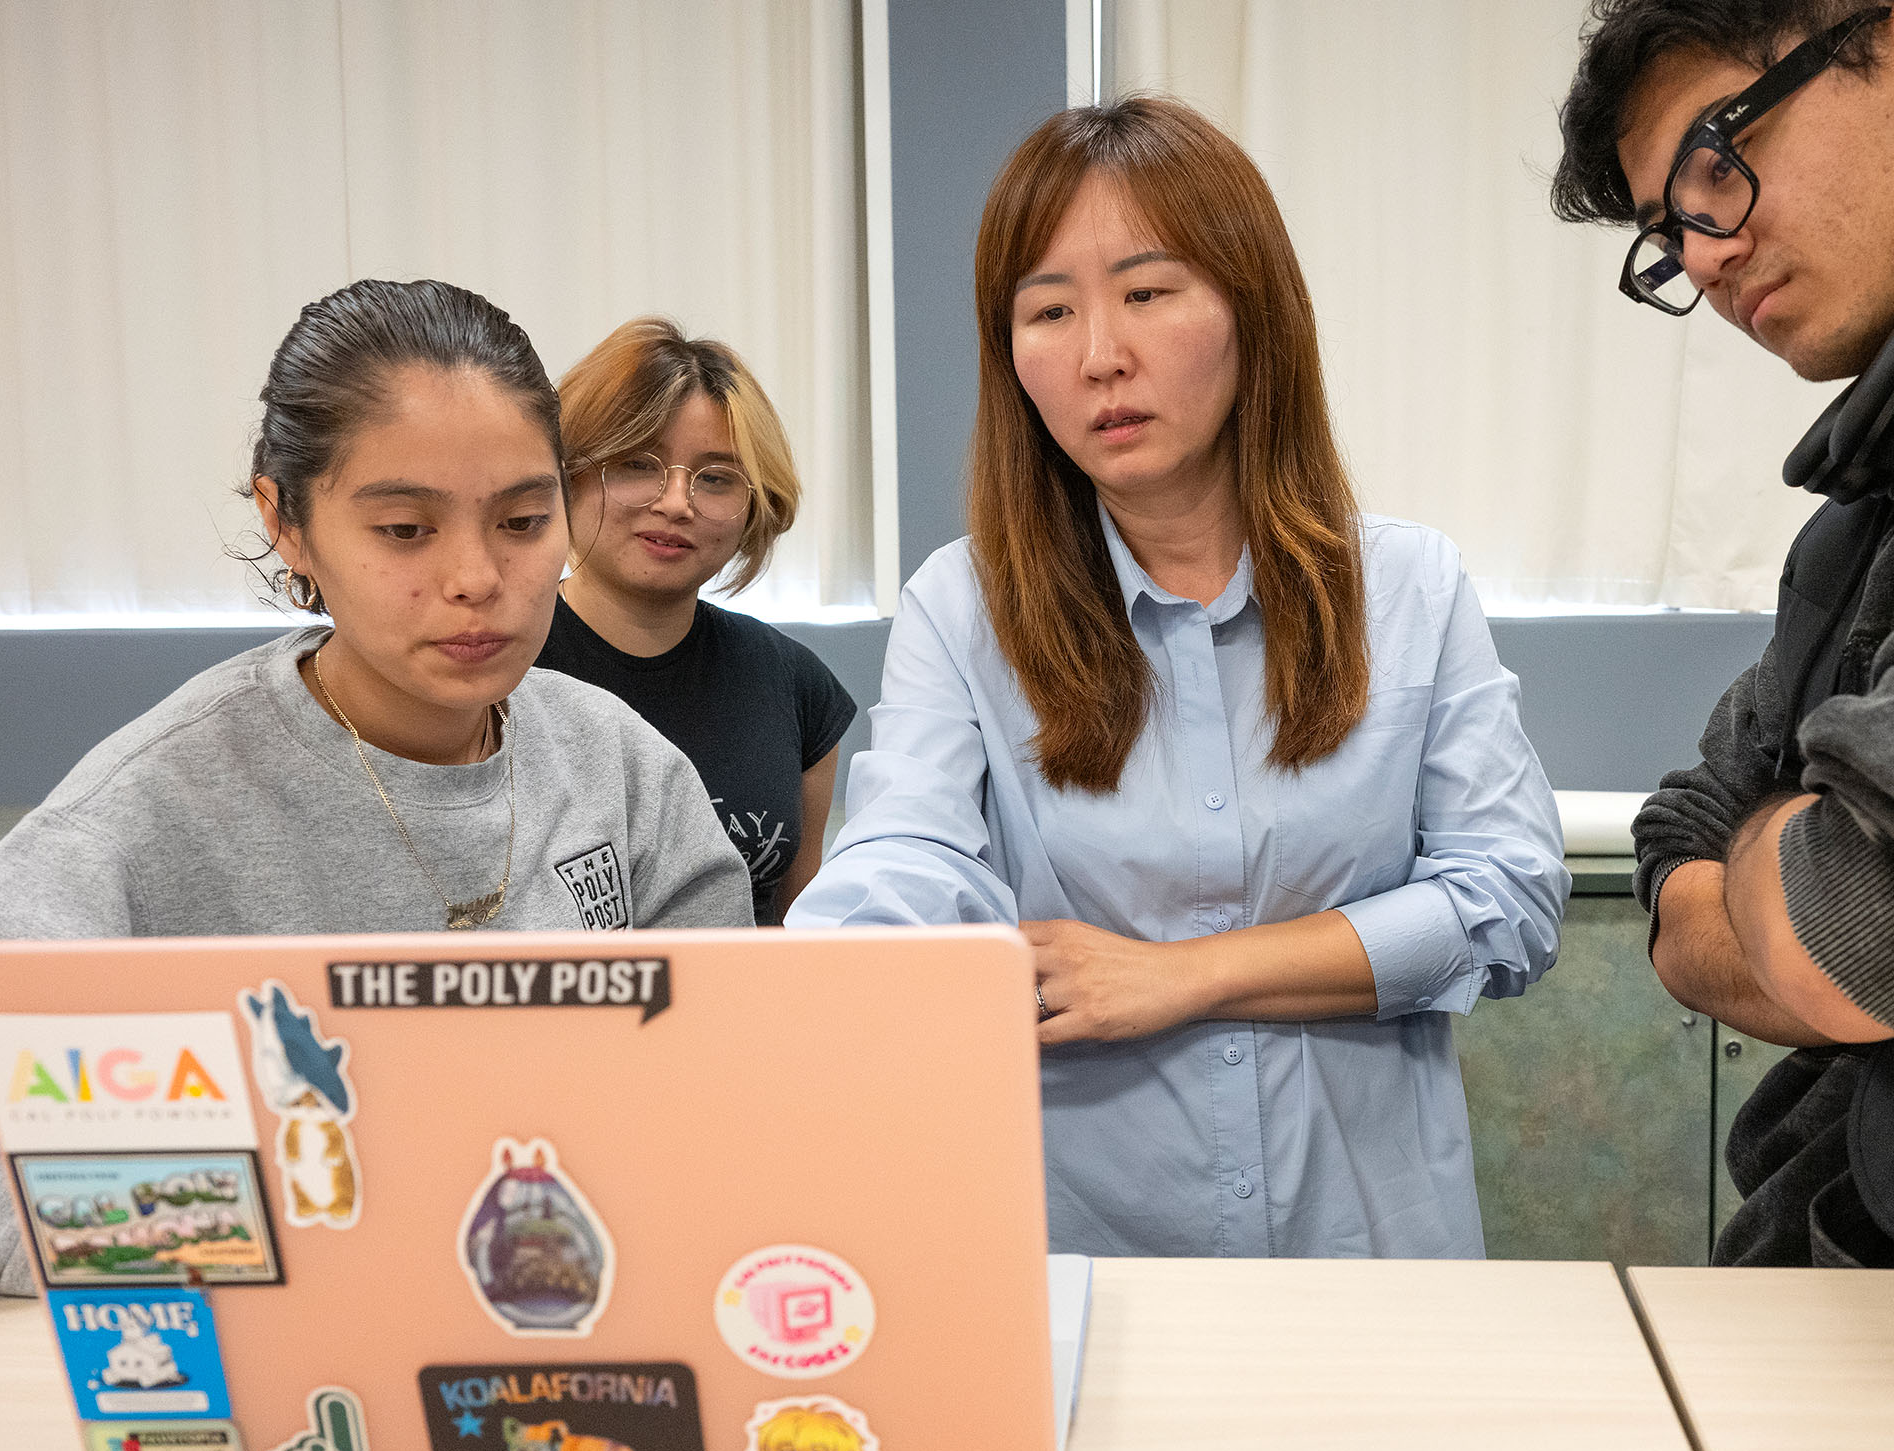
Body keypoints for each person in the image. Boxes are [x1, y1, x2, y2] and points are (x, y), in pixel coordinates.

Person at [787, 97, 1569, 1258]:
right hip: (1088, 1261)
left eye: (1146, 294)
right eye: (1047, 311)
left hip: (1367, 1259)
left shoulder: (1406, 586)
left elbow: (1506, 900)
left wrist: (1179, 978)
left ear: (1252, 312)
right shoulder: (962, 607)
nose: (1100, 353)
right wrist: (829, 975)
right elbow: (908, 849)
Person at [0, 279, 753, 1305]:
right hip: (287, 1377)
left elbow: (728, 1088)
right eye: (403, 530)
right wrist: (257, 1227)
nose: (476, 577)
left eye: (523, 521)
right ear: (288, 523)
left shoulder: (623, 769)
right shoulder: (153, 807)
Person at [1553, 1, 1894, 1265]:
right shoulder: (1852, 523)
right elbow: (1677, 829)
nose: (1699, 255)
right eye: (1666, 230)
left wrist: (1781, 867)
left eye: (1713, 162)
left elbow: (1843, 935)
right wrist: (1777, 849)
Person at [535, 317, 855, 925]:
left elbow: (793, 930)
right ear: (564, 474)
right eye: (635, 464)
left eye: (714, 479)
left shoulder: (797, 687)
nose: (677, 503)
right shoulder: (494, 666)